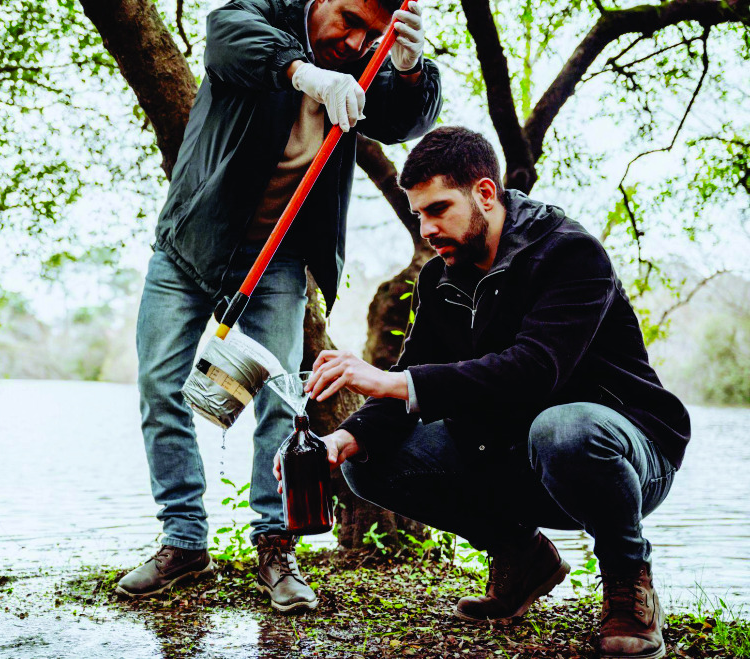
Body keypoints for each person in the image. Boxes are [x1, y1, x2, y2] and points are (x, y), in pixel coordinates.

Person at [280, 126, 690, 655]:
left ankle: (629, 583)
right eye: (418, 215)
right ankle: (522, 558)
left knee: (563, 427)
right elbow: (415, 378)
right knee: (366, 460)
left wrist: (391, 380)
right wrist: (343, 439)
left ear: (486, 193)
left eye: (438, 209)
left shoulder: (569, 254)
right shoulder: (439, 279)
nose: (426, 228)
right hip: (516, 454)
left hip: (625, 453)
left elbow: (534, 370)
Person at [117, 0, 443, 613]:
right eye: (347, 18)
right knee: (162, 386)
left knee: (280, 403)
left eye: (372, 32)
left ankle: (275, 546)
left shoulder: (369, 64)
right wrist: (306, 74)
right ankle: (184, 543)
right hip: (190, 244)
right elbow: (226, 39)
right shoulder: (264, 14)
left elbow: (404, 120)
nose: (353, 41)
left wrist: (407, 68)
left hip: (280, 262)